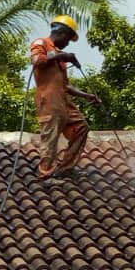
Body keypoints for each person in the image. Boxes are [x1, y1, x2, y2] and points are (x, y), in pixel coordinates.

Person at [30, 15, 101, 179]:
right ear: (61, 33)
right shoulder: (41, 43)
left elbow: (65, 85)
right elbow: (36, 60)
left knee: (81, 127)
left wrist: (86, 95)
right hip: (48, 101)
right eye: (68, 39)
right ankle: (45, 174)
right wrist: (61, 56)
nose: (67, 43)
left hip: (63, 103)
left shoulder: (59, 54)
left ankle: (66, 169)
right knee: (51, 136)